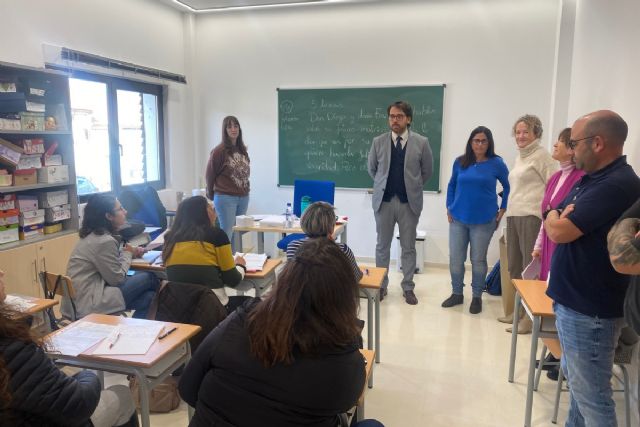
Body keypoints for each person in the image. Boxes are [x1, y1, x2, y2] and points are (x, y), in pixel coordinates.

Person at [179, 238, 381, 427]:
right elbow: (347, 404)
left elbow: (187, 389)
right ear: (344, 297)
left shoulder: (241, 320)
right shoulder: (344, 359)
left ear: (285, 282)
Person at [545, 110, 640, 426]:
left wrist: (555, 218)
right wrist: (556, 215)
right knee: (580, 393)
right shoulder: (591, 178)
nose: (571, 150)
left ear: (597, 143)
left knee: (594, 400)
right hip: (575, 304)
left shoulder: (617, 184)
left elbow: (558, 229)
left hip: (590, 311)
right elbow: (554, 210)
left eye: (575, 143)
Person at [0, 270, 136, 427]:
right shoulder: (14, 350)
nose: (2, 272)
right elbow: (78, 404)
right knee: (121, 394)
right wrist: (88, 376)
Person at [529, 128, 584, 379]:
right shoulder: (554, 178)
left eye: (559, 143)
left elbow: (564, 216)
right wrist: (539, 244)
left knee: (559, 298)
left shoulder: (581, 178)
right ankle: (555, 354)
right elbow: (548, 214)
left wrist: (553, 214)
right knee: (546, 298)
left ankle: (561, 357)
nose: (554, 146)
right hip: (550, 242)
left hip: (564, 244)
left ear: (572, 148)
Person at [367, 101, 433, 305]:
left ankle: (408, 287)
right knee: (382, 246)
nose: (395, 120)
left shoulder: (421, 142)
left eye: (399, 116)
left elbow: (427, 172)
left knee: (408, 247)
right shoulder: (378, 141)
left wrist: (412, 186)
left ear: (408, 119)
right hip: (384, 203)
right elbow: (372, 169)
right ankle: (381, 285)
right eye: (392, 116)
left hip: (408, 203)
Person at [442, 126, 510, 314]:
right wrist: (449, 207)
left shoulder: (497, 163)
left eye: (483, 141)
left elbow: (508, 185)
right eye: (476, 140)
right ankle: (457, 293)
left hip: (484, 220)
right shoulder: (460, 162)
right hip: (458, 219)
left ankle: (477, 296)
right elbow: (452, 185)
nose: (479, 144)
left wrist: (503, 208)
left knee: (478, 260)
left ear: (489, 143)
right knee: (456, 259)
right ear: (470, 142)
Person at [499, 114, 557, 334]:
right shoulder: (520, 157)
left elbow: (553, 188)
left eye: (525, 132)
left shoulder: (543, 156)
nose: (520, 136)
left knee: (528, 268)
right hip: (514, 215)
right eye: (518, 132)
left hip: (532, 217)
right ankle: (518, 311)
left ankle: (530, 317)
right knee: (514, 266)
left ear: (536, 134)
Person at [65, 194, 159, 320]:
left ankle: (133, 333)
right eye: (120, 209)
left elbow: (107, 262)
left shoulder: (92, 236)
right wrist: (128, 253)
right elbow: (117, 279)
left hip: (79, 300)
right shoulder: (104, 241)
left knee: (149, 297)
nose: (125, 211)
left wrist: (128, 251)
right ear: (108, 216)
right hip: (90, 303)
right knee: (150, 277)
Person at [162, 195, 249, 313]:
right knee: (254, 304)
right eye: (210, 207)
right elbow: (233, 280)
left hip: (179, 309)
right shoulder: (217, 235)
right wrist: (240, 266)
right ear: (203, 213)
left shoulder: (170, 238)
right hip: (212, 308)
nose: (214, 210)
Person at [286, 201, 363, 282]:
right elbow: (356, 278)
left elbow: (294, 278)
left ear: (303, 222)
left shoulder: (293, 247)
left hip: (303, 294)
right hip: (335, 294)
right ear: (332, 227)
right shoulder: (342, 250)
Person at [205, 115, 250, 251]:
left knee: (239, 232)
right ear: (225, 130)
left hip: (243, 197)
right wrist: (212, 195)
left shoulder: (242, 150)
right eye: (229, 126)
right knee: (227, 232)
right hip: (225, 197)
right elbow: (209, 174)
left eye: (236, 126)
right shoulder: (219, 151)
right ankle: (224, 265)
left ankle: (236, 263)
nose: (233, 129)